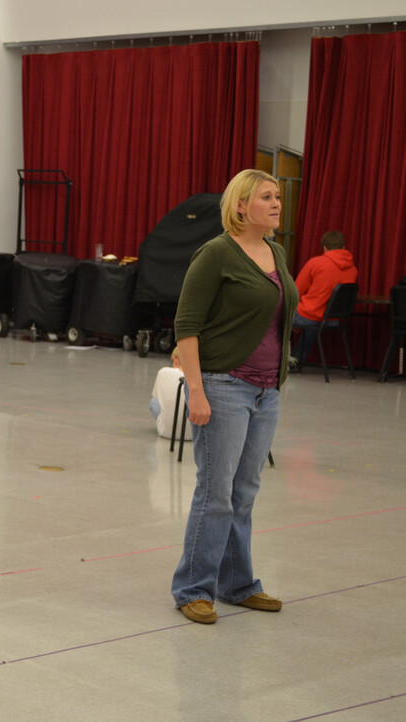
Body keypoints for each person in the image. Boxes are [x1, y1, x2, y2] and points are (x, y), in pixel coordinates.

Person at [170, 169, 299, 625]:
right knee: (216, 494)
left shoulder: (276, 252)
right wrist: (198, 393)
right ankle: (193, 587)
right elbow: (186, 326)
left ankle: (237, 584)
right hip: (224, 387)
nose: (277, 203)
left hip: (267, 392)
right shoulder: (216, 253)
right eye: (267, 196)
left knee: (244, 492)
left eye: (279, 196)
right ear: (241, 205)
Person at [290, 230, 358, 367]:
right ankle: (295, 360)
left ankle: (271, 361)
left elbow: (294, 292)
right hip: (333, 320)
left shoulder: (316, 263)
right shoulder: (353, 269)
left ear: (324, 247)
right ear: (343, 247)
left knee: (276, 314)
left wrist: (292, 319)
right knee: (313, 322)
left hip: (309, 316)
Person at [149, 347, 184, 438]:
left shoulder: (163, 372)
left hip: (165, 433)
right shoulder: (200, 376)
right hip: (193, 435)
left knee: (154, 402)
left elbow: (157, 397)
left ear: (175, 360)